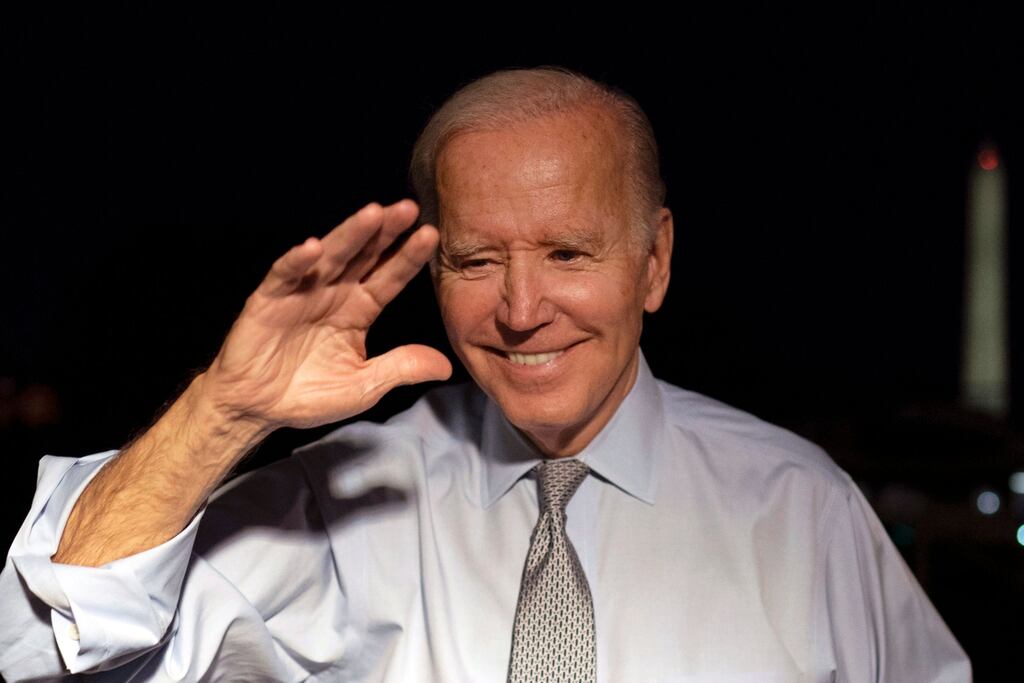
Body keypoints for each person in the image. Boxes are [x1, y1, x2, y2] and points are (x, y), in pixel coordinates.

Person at [0, 67, 970, 681]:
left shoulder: (802, 509)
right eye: (474, 261)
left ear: (655, 260)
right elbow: (53, 643)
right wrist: (224, 408)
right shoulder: (344, 498)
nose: (518, 309)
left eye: (567, 253)